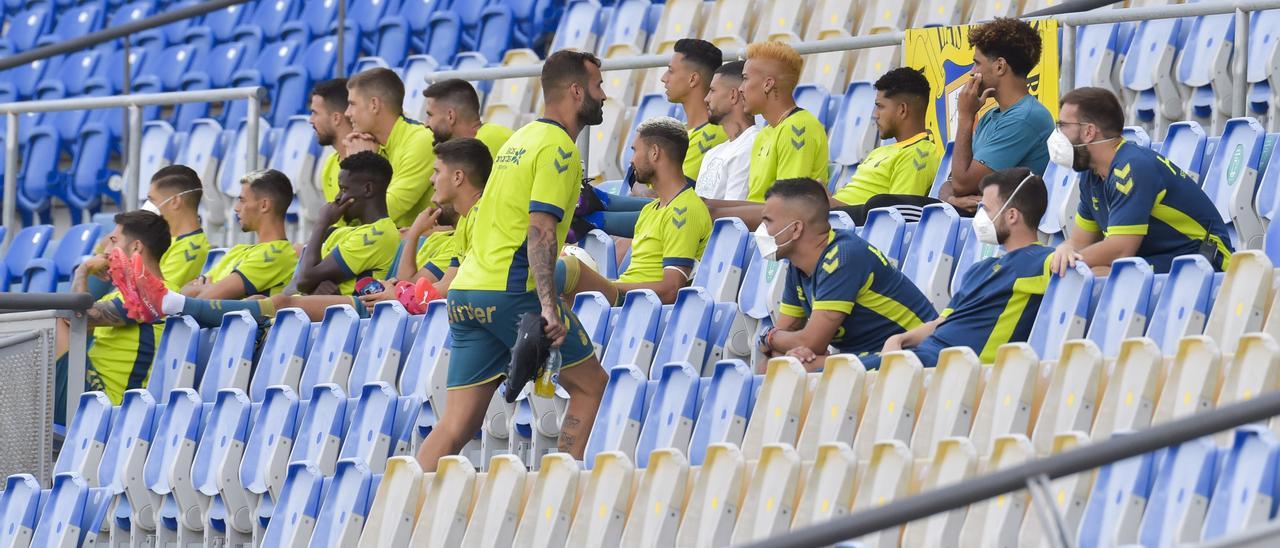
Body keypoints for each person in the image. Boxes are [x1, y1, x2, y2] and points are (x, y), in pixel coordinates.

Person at [415, 49, 609, 472]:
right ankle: (561, 485)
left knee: (453, 426)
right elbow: (540, 230)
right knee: (591, 384)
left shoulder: (518, 141)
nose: (605, 95)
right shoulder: (559, 149)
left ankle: (396, 513)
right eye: (597, 87)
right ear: (576, 92)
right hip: (512, 291)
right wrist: (546, 306)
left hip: (467, 294)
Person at [115, 152, 404, 326]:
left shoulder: (378, 232)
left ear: (367, 189)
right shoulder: (341, 232)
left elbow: (304, 279)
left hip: (354, 315)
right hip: (321, 311)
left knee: (283, 302)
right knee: (275, 301)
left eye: (343, 189)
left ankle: (171, 302)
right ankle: (169, 302)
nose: (338, 197)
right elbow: (307, 276)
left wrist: (320, 226)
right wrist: (314, 276)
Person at [709, 67, 942, 228]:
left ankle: (707, 211)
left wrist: (832, 202)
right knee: (711, 206)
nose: (874, 115)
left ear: (902, 110)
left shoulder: (918, 154)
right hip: (833, 214)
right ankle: (705, 206)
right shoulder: (882, 151)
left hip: (839, 219)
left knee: (728, 214)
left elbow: (894, 216)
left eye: (880, 107)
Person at [869, 168, 1054, 368]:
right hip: (921, 358)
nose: (980, 216)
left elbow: (1075, 268)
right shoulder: (979, 269)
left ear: (1011, 216)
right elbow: (941, 322)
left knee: (837, 374)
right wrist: (898, 340)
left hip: (954, 368)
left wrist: (1067, 249)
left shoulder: (1040, 260)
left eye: (986, 209)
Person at [756, 178, 937, 372]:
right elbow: (783, 343)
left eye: (768, 221)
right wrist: (779, 348)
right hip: (867, 358)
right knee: (771, 367)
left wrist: (769, 337)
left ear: (796, 229)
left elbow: (810, 343)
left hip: (914, 352)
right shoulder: (797, 267)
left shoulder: (842, 257)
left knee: (798, 368)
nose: (761, 230)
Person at [1049, 87, 1233, 275]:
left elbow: (1120, 249)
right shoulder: (1091, 176)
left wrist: (1070, 260)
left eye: (1062, 126)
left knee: (1098, 274)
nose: (1057, 135)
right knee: (1085, 272)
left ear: (1089, 131)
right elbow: (1080, 242)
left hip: (1201, 257)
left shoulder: (1132, 168)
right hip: (1161, 259)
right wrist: (1065, 249)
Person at [559, 117, 712, 305]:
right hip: (624, 301)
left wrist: (608, 287)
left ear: (654, 153)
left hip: (637, 307)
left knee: (569, 268)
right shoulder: (651, 209)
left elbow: (671, 289)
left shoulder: (685, 210)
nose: (631, 160)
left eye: (635, 150)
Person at [57, 211, 173, 409]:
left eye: (113, 241)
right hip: (91, 388)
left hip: (109, 402)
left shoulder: (155, 294)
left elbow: (74, 319)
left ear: (136, 246)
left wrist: (82, 271)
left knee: (54, 323)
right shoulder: (117, 294)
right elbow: (80, 327)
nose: (105, 250)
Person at [941, 17, 1055, 216]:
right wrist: (951, 199)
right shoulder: (990, 117)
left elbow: (961, 184)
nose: (971, 73)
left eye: (976, 64)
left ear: (1000, 66)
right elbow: (950, 183)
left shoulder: (1025, 118)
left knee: (881, 203)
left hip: (1005, 222)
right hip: (979, 218)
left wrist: (965, 117)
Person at [182, 169, 299, 299]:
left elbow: (203, 301)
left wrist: (207, 288)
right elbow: (184, 292)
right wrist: (208, 289)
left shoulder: (276, 253)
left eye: (242, 201)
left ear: (264, 205)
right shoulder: (237, 250)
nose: (236, 208)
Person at [344, 67, 438, 228]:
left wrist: (363, 165)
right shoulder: (368, 143)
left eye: (352, 104)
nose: (347, 113)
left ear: (374, 105)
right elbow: (344, 217)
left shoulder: (420, 140)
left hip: (420, 247)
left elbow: (383, 212)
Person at [740, 41, 829, 202]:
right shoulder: (765, 133)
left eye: (745, 79)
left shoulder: (799, 127)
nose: (740, 88)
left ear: (767, 84)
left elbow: (787, 206)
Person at [661, 38, 728, 180]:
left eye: (670, 71)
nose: (663, 78)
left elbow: (672, 192)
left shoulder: (712, 133)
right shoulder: (679, 132)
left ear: (693, 79)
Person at [696, 60, 761, 201]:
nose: (706, 99)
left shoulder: (751, 145)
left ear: (733, 95)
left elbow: (733, 213)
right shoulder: (713, 153)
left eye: (712, 91)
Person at [143, 165, 210, 288]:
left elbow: (156, 293)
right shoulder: (163, 240)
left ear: (175, 202)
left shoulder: (191, 249)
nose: (147, 207)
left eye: (152, 201)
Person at [422, 78, 514, 158]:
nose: (426, 124)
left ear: (450, 116)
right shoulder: (467, 147)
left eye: (430, 115)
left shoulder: (486, 145)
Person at [309, 78, 354, 203]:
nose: (310, 120)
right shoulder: (330, 164)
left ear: (336, 118)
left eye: (315, 113)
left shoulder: (373, 159)